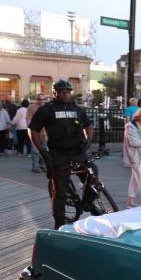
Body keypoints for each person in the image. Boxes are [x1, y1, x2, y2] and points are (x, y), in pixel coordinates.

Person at [29, 80, 93, 229]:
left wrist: (89, 140)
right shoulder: (47, 110)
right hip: (59, 154)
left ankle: (90, 201)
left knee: (93, 175)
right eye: (62, 92)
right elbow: (32, 130)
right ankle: (59, 221)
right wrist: (43, 151)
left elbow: (88, 124)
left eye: (68, 92)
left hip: (78, 152)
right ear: (55, 93)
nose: (66, 94)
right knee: (60, 191)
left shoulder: (76, 109)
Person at [27, 93, 47, 172]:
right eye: (39, 99)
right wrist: (31, 130)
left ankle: (44, 166)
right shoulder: (32, 107)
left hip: (45, 133)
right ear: (37, 99)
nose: (41, 101)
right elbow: (28, 119)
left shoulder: (47, 107)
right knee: (35, 150)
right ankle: (35, 167)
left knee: (45, 150)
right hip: (35, 132)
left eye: (43, 99)